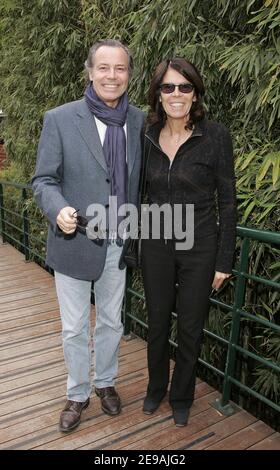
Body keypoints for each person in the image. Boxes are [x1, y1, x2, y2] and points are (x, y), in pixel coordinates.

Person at [32, 39, 145, 432]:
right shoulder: (60, 119)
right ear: (90, 71)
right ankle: (77, 392)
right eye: (104, 68)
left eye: (120, 68)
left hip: (120, 241)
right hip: (75, 240)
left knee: (112, 322)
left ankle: (106, 382)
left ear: (129, 74)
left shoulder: (140, 121)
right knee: (74, 326)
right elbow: (43, 180)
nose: (112, 76)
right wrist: (57, 207)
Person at [141, 58, 237, 426]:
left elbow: (227, 201)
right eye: (168, 87)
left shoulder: (216, 136)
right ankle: (154, 389)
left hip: (200, 245)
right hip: (155, 241)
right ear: (158, 94)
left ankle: (182, 396)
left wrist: (223, 260)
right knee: (157, 323)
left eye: (184, 87)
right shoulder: (146, 134)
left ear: (195, 93)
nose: (176, 94)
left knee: (191, 327)